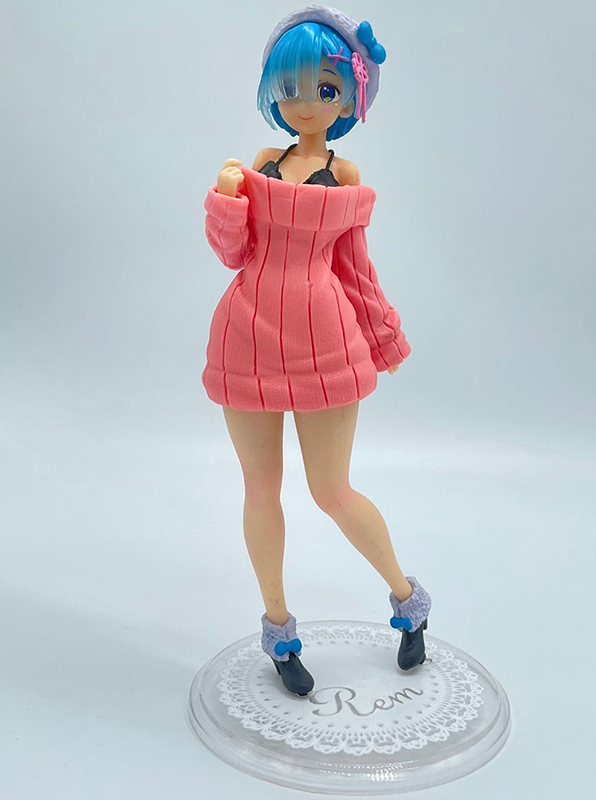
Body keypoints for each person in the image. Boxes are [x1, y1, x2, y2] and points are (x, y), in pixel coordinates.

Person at [202, 5, 432, 696]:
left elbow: (355, 269)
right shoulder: (260, 166)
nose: (307, 103)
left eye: (326, 89)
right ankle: (278, 628)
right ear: (274, 91)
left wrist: (385, 337)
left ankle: (408, 601)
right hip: (247, 332)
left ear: (351, 96)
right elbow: (232, 252)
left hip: (324, 339)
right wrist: (226, 198)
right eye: (292, 88)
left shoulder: (346, 175)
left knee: (332, 490)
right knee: (260, 488)